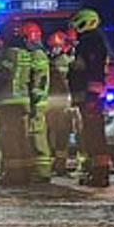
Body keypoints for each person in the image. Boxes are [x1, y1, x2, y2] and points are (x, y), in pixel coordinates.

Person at [0, 19, 38, 185]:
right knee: (22, 138)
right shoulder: (25, 53)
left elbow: (0, 77)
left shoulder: (7, 54)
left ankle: (13, 174)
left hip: (8, 100)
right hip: (23, 99)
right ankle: (25, 172)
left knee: (10, 139)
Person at [66, 8, 113, 187]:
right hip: (87, 95)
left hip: (90, 95)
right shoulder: (89, 41)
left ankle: (100, 174)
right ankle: (96, 172)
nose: (74, 27)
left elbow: (93, 68)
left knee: (94, 135)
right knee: (90, 134)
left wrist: (92, 92)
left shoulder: (91, 41)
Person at [21, 22, 55, 183]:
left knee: (37, 136)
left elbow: (38, 80)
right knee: (35, 135)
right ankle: (39, 170)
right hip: (38, 101)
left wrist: (35, 102)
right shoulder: (37, 54)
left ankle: (43, 172)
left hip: (38, 102)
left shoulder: (37, 55)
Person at [45, 31, 76, 176]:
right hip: (58, 101)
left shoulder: (62, 61)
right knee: (58, 133)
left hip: (61, 102)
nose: (54, 49)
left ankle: (59, 163)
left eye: (56, 46)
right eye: (53, 47)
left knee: (60, 133)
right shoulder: (64, 60)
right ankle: (59, 163)